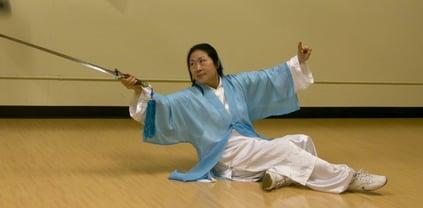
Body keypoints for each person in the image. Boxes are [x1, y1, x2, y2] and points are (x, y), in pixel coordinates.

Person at [120, 42, 387, 193]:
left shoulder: (237, 84)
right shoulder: (189, 98)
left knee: (302, 140)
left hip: (248, 144)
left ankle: (281, 175)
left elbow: (269, 77)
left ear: (215, 62)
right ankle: (347, 177)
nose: (197, 67)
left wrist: (297, 60)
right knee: (282, 147)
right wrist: (139, 89)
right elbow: (161, 105)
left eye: (202, 61)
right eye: (191, 64)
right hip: (224, 154)